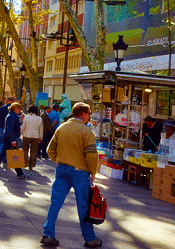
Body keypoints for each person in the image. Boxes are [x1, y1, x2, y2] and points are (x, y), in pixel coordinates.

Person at [41, 102, 102, 248]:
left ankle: (48, 234)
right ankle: (90, 239)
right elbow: (92, 155)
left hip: (62, 169)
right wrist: (93, 172)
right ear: (83, 114)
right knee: (84, 206)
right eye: (89, 113)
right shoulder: (87, 132)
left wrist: (60, 160)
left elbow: (50, 149)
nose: (89, 116)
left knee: (55, 203)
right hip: (80, 172)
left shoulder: (62, 127)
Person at [0, 102, 25, 179]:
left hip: (9, 137)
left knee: (6, 154)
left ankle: (19, 173)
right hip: (10, 138)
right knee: (13, 154)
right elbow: (10, 129)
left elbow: (14, 127)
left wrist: (21, 120)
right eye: (19, 108)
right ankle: (19, 173)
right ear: (15, 108)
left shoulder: (12, 115)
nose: (20, 110)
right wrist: (13, 141)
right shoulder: (11, 116)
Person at [21, 105, 43, 171]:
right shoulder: (39, 119)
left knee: (24, 149)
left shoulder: (26, 118)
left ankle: (26, 162)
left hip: (26, 135)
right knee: (34, 151)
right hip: (36, 136)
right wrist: (40, 138)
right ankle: (31, 165)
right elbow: (41, 130)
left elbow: (22, 127)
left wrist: (21, 134)